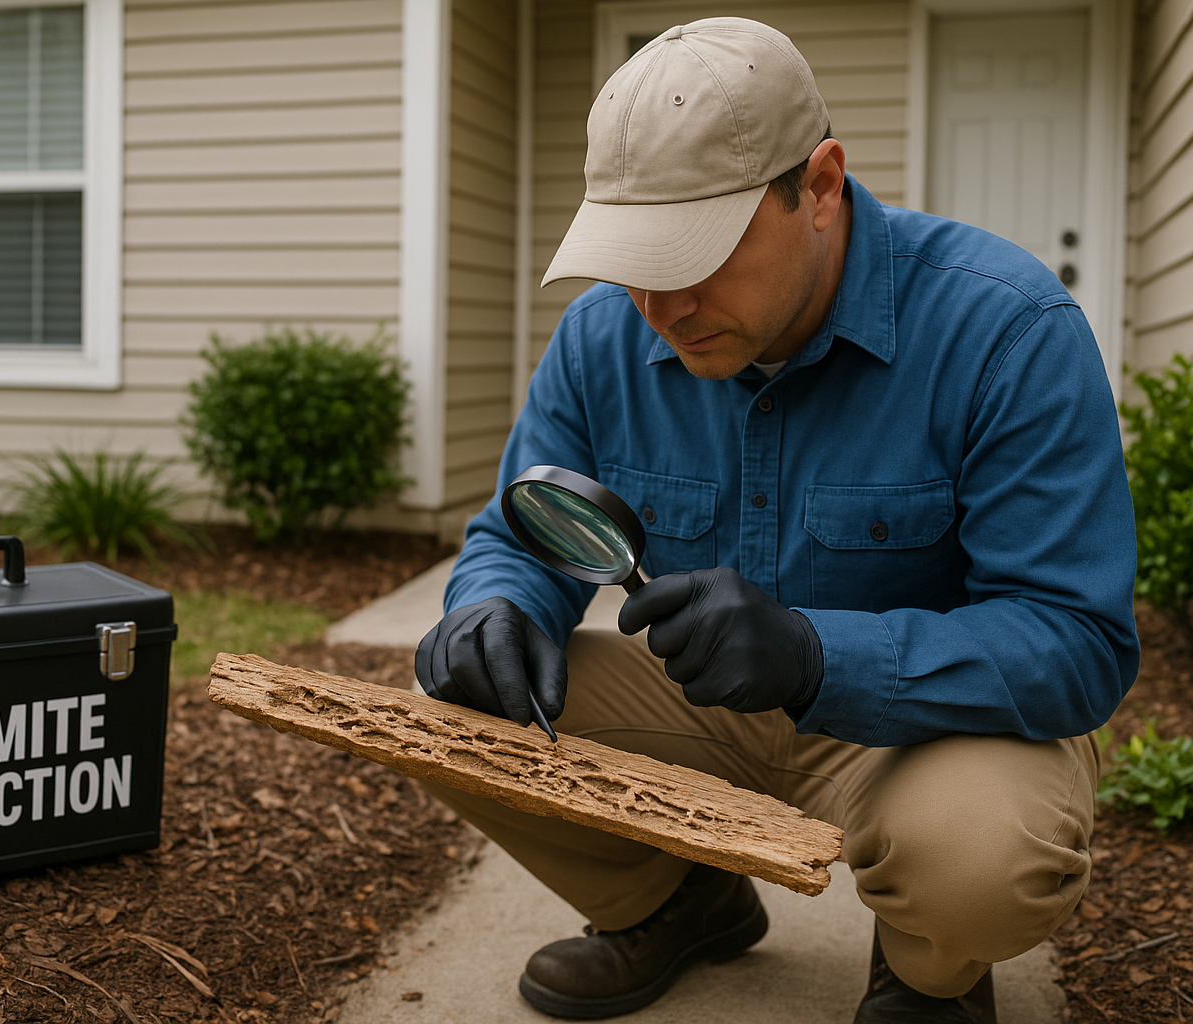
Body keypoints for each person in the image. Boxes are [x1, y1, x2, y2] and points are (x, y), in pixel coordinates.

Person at [413, 17, 1139, 1024]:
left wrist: (813, 654)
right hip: (692, 702)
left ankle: (930, 970)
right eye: (633, 257)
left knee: (978, 859)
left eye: (698, 250)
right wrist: (494, 607)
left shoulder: (1005, 330)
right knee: (452, 704)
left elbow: (1078, 642)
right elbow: (521, 533)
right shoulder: (600, 338)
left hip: (923, 735)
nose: (661, 301)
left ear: (823, 186)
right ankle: (676, 902)